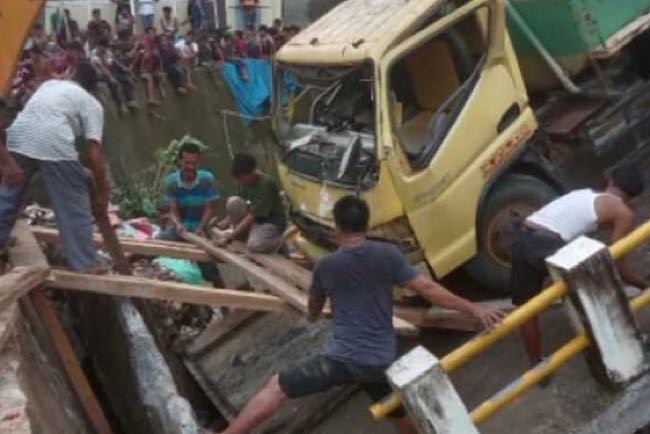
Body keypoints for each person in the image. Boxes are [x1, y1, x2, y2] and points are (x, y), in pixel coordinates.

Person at [212, 195, 504, 434]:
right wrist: (474, 309)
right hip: (380, 361)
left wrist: (316, 313)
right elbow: (428, 289)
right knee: (398, 413)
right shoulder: (387, 254)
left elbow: (313, 310)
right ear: (366, 224)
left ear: (337, 227)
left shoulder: (326, 266)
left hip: (341, 361)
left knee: (277, 386)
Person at [511, 166, 646, 368]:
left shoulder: (582, 194)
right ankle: (625, 342)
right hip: (546, 243)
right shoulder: (622, 211)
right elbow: (616, 259)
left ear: (610, 181)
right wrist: (643, 285)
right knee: (597, 289)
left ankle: (536, 365)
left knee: (527, 309)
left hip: (522, 236)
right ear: (632, 197)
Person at [0, 63, 109, 273]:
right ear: (91, 87)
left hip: (20, 135)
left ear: (70, 73)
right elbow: (95, 155)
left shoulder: (49, 85)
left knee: (10, 191)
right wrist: (103, 192)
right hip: (54, 141)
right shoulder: (92, 103)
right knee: (73, 200)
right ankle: (85, 263)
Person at [159, 143, 223, 286]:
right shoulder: (171, 182)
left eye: (194, 163)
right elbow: (172, 209)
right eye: (187, 163)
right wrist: (178, 224)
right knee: (156, 243)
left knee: (209, 268)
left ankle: (226, 302)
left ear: (198, 162)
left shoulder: (207, 179)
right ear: (180, 161)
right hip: (180, 228)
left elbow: (209, 208)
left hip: (200, 227)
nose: (190, 167)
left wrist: (201, 227)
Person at [216, 154, 285, 254]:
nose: (240, 181)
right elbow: (239, 204)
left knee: (254, 246)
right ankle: (246, 235)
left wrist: (230, 237)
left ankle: (278, 241)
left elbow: (251, 216)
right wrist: (224, 223)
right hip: (254, 221)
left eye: (241, 177)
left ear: (252, 172)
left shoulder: (266, 185)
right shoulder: (243, 183)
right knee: (232, 201)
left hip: (270, 222)